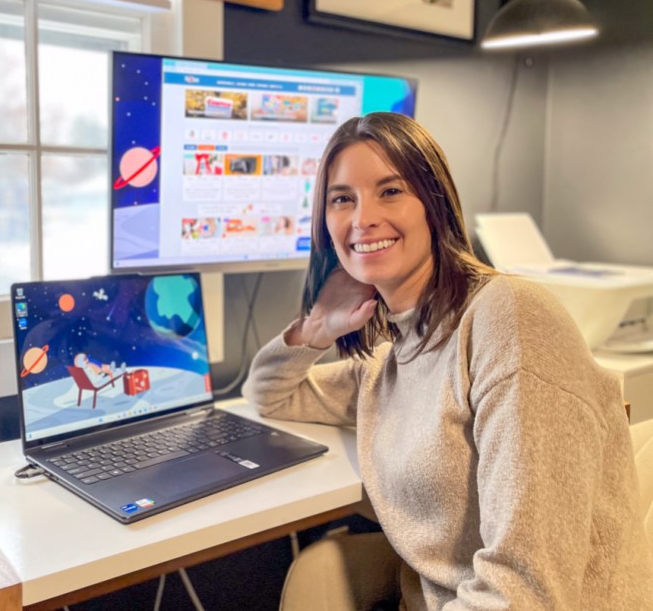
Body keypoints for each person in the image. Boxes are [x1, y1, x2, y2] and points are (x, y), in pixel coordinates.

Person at [243, 112, 653, 610]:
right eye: (342, 199)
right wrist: (316, 329)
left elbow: (525, 592)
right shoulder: (391, 355)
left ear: (434, 204)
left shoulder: (507, 318)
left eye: (390, 191)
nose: (362, 218)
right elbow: (269, 393)